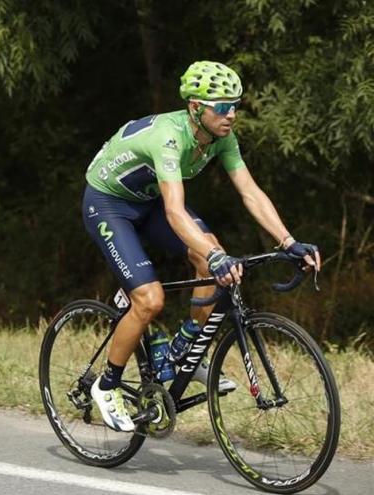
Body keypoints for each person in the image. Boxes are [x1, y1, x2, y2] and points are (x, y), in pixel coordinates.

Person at [82, 61, 321, 431]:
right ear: (196, 108)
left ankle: (186, 347)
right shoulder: (170, 136)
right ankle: (107, 384)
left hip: (148, 202)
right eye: (222, 107)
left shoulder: (222, 137)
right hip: (109, 203)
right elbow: (175, 212)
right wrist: (215, 255)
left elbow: (250, 192)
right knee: (151, 299)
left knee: (212, 256)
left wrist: (287, 241)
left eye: (235, 105)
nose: (232, 115)